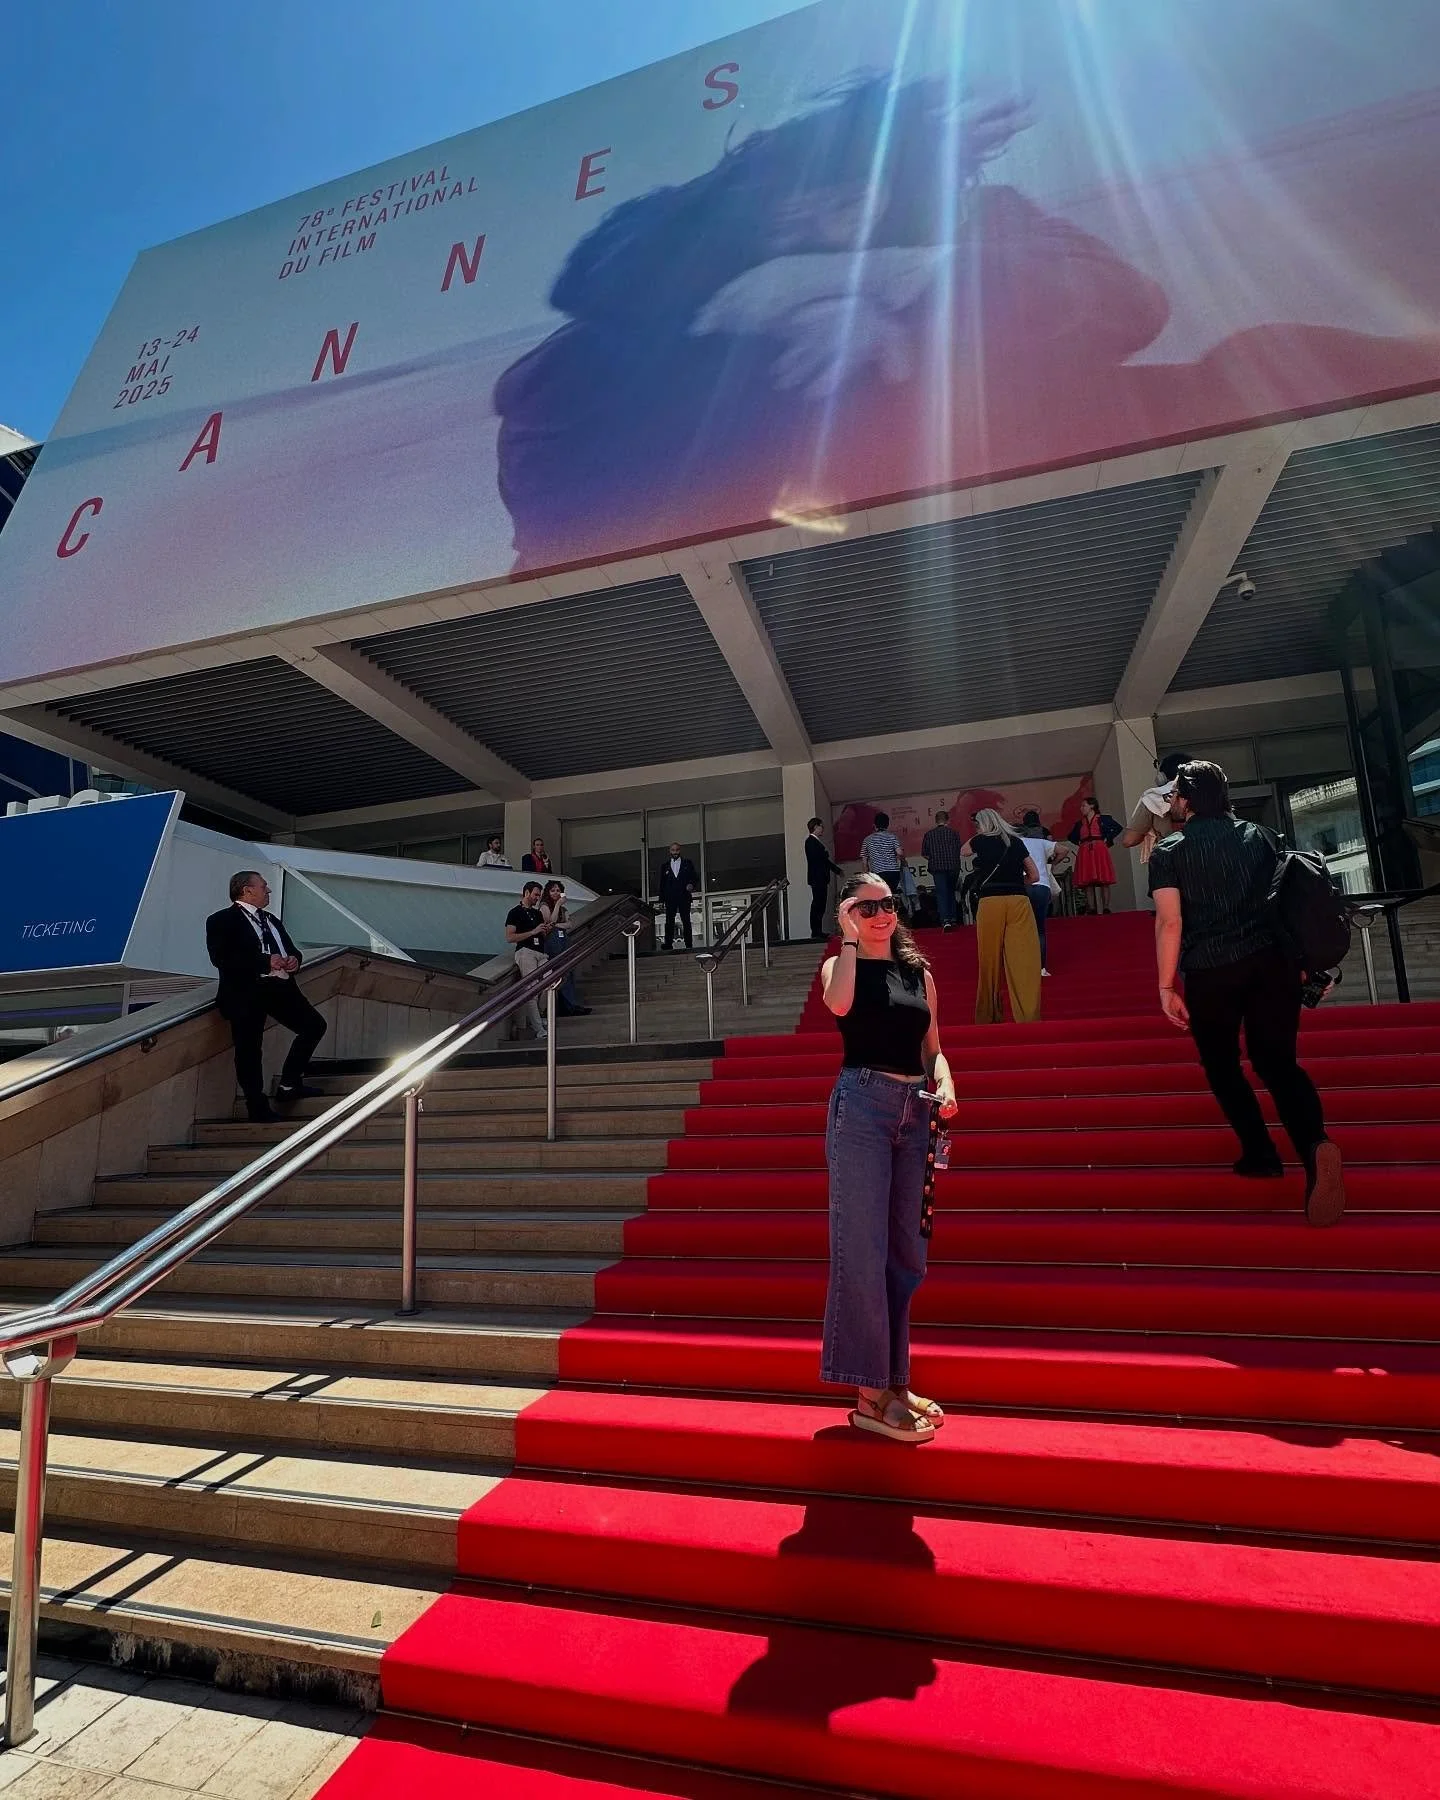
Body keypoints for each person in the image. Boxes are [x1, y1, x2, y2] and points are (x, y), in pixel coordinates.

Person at [1149, 761, 1345, 1226]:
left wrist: (1165, 984)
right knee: (1278, 1063)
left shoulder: (1171, 849)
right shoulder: (1261, 836)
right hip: (1271, 965)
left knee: (1222, 1065)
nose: (1173, 802)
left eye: (1176, 794)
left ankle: (1260, 1153)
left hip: (1210, 970)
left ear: (1187, 799)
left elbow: (1170, 921)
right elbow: (1288, 899)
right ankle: (1315, 1144)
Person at [819, 872, 957, 1444]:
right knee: (863, 1249)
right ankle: (869, 1393)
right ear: (851, 912)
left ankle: (894, 1381)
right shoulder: (840, 964)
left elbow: (935, 1048)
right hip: (863, 1107)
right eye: (867, 906)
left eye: (888, 903)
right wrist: (848, 939)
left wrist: (946, 1084)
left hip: (916, 1109)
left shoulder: (919, 973)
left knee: (906, 1254)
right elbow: (840, 1004)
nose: (881, 913)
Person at [206, 872, 327, 1123]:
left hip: (280, 988)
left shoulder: (271, 919)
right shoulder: (221, 920)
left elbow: (289, 948)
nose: (268, 891)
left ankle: (290, 1083)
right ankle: (256, 1105)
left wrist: (294, 960)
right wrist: (264, 961)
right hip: (246, 992)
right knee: (249, 1049)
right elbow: (222, 958)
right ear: (247, 890)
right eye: (263, 887)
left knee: (314, 1026)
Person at [967, 810, 1042, 1025]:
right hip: (1018, 901)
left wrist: (980, 833)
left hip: (990, 902)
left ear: (981, 825)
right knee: (1023, 961)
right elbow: (1035, 875)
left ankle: (988, 1016)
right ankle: (1029, 1018)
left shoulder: (979, 841)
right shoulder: (1016, 842)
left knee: (989, 961)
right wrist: (1017, 883)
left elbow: (963, 851)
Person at [505, 880, 551, 1040]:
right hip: (525, 951)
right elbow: (510, 937)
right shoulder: (514, 912)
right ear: (526, 893)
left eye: (539, 895)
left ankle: (539, 1014)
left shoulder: (537, 913)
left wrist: (544, 930)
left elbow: (541, 934)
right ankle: (539, 1028)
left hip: (540, 952)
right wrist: (533, 932)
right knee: (531, 989)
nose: (537, 898)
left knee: (550, 982)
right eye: (535, 895)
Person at [540, 879, 591, 1016]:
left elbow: (569, 924)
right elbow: (550, 922)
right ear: (548, 892)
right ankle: (566, 1005)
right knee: (560, 972)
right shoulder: (545, 906)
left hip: (564, 940)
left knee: (568, 971)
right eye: (553, 890)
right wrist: (557, 906)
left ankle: (570, 1004)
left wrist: (556, 925)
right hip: (552, 941)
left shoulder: (564, 909)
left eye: (558, 890)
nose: (556, 893)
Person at [1018, 811, 1058, 976]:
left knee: (1021, 927)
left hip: (1024, 886)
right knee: (1040, 928)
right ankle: (1041, 967)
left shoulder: (1016, 843)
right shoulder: (1041, 841)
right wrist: (1051, 866)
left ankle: (1024, 964)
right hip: (1042, 886)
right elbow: (1063, 850)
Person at [1069, 796, 1123, 914]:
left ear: (1092, 806)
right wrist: (1080, 843)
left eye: (1084, 805)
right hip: (1085, 850)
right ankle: (1092, 908)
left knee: (1104, 880)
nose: (1081, 808)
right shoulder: (1079, 823)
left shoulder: (1103, 819)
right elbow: (1071, 836)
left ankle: (1106, 907)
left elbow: (1118, 828)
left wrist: (1108, 840)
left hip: (1099, 849)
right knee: (1087, 881)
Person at [921, 810, 964, 932]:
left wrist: (934, 858)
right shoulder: (954, 833)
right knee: (951, 891)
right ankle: (954, 918)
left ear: (936, 820)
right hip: (953, 866)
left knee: (941, 893)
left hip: (937, 867)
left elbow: (924, 854)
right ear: (947, 820)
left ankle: (945, 921)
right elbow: (958, 850)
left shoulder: (929, 835)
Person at [804, 817, 843, 940]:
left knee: (821, 904)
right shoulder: (810, 841)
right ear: (815, 827)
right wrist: (827, 858)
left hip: (820, 877)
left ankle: (818, 930)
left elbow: (824, 860)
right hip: (817, 877)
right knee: (817, 904)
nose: (823, 829)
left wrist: (835, 869)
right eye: (821, 826)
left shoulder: (815, 842)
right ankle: (815, 931)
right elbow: (820, 860)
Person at [657, 843, 699, 951]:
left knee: (686, 920)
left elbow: (694, 877)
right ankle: (668, 944)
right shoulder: (664, 866)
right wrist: (661, 900)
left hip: (684, 896)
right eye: (673, 850)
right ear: (670, 851)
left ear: (680, 850)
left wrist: (691, 885)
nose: (675, 852)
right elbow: (662, 884)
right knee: (669, 921)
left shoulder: (687, 863)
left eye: (677, 850)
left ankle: (689, 944)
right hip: (670, 898)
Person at [860, 811, 905, 893]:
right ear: (887, 825)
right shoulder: (892, 837)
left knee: (881, 897)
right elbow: (900, 853)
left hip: (878, 874)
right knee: (892, 894)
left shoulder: (867, 840)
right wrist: (902, 862)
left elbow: (864, 863)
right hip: (893, 873)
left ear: (875, 825)